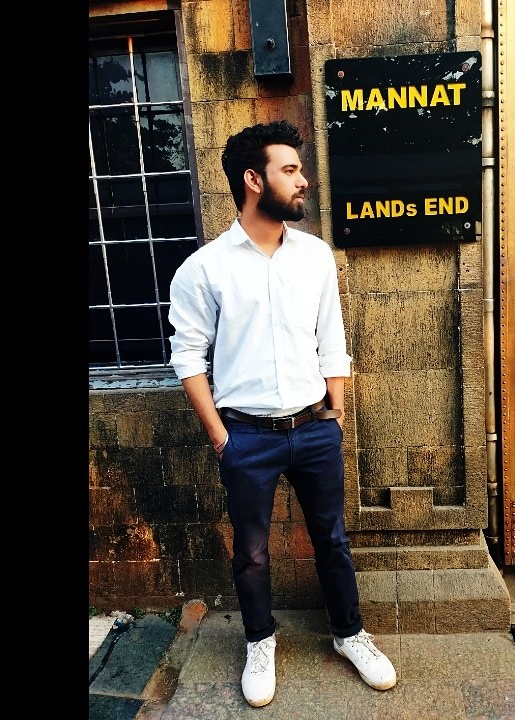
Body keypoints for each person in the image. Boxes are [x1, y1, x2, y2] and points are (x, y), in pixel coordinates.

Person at [168, 120, 397, 708]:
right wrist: (221, 437)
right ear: (254, 180)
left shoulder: (314, 256)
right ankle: (259, 642)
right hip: (245, 436)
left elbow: (332, 338)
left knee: (333, 539)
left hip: (314, 428)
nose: (303, 181)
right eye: (290, 169)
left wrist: (335, 412)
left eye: (300, 169)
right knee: (251, 552)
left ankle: (350, 634)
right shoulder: (204, 269)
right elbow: (188, 357)